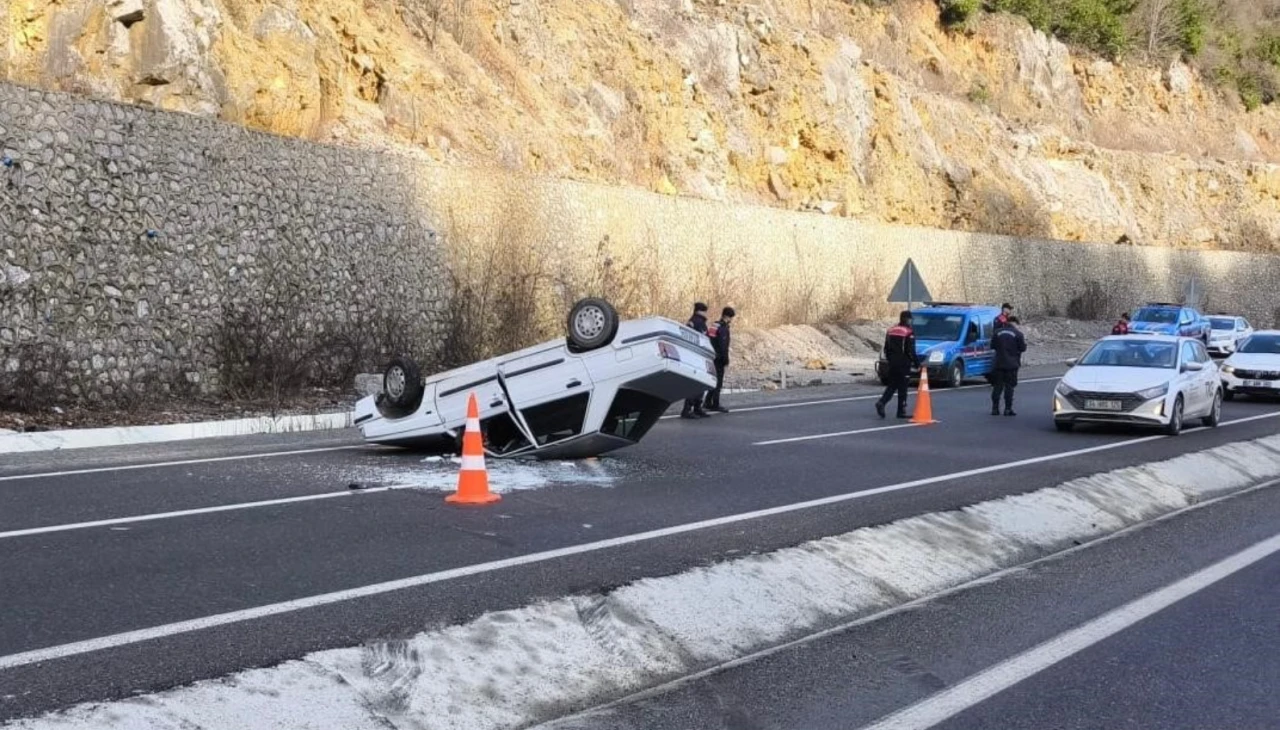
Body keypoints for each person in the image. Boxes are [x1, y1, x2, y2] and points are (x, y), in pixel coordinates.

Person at [876, 311, 920, 419]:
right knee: (903, 388)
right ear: (907, 319)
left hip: (892, 363)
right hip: (904, 364)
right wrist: (917, 363)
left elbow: (886, 348)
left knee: (892, 385)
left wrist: (891, 360)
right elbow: (910, 351)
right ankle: (901, 411)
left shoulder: (891, 331)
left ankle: (882, 402)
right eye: (910, 319)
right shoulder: (909, 332)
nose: (911, 321)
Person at [991, 316, 1027, 417]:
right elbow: (1023, 348)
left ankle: (995, 409)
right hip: (1012, 364)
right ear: (1014, 323)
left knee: (997, 387)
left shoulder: (997, 332)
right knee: (1009, 387)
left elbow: (992, 346)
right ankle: (1008, 409)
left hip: (998, 363)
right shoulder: (1018, 334)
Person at [681, 302, 711, 419]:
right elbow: (705, 339)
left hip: (691, 355)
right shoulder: (700, 323)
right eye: (704, 311)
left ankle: (694, 408)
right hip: (699, 356)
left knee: (696, 383)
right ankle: (690, 409)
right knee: (698, 383)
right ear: (700, 311)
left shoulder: (691, 321)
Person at [704, 306, 735, 413]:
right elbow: (723, 346)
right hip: (719, 358)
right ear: (728, 317)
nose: (731, 321)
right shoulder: (723, 328)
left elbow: (708, 338)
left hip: (711, 356)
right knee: (718, 382)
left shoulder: (714, 325)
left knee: (713, 380)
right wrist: (726, 359)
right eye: (731, 318)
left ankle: (707, 401)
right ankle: (715, 404)